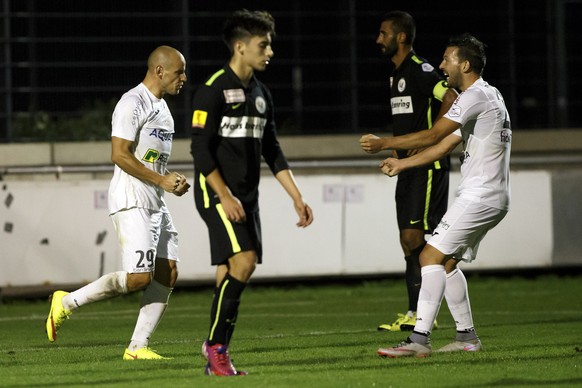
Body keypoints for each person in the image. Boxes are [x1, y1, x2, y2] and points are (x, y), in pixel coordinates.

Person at [361, 33, 511, 357]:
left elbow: (433, 133)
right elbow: (443, 145)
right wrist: (403, 165)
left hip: (480, 195)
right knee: (446, 263)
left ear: (465, 64)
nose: (442, 65)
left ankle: (418, 341)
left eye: (448, 59)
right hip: (491, 197)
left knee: (428, 255)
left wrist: (384, 142)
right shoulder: (489, 95)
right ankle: (467, 337)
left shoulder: (473, 97)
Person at [45, 45, 190, 360]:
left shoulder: (163, 109)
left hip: (155, 199)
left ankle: (137, 348)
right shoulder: (131, 103)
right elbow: (119, 155)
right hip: (131, 199)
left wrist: (171, 180)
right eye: (180, 72)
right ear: (160, 71)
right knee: (139, 277)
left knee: (168, 272)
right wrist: (162, 180)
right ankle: (66, 303)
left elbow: (151, 161)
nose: (184, 78)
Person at [190, 9, 314, 376]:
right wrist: (224, 196)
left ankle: (213, 344)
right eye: (264, 44)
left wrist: (296, 196)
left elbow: (272, 150)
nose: (270, 51)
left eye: (270, 44)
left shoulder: (261, 94)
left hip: (247, 194)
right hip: (216, 192)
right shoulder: (213, 89)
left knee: (230, 269)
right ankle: (216, 348)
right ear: (240, 47)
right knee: (244, 262)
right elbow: (199, 150)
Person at [371, 11, 458, 332]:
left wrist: (434, 137)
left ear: (401, 37)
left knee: (416, 237)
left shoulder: (420, 69)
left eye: (383, 34)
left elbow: (449, 95)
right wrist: (399, 148)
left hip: (428, 167)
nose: (379, 39)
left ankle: (426, 310)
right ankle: (416, 311)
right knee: (408, 241)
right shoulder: (395, 75)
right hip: (408, 166)